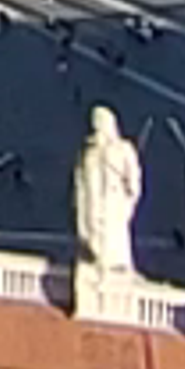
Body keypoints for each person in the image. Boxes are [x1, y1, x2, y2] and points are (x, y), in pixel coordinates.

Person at [72, 106, 144, 284]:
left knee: (114, 236)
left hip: (113, 200)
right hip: (93, 200)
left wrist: (129, 195)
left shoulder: (123, 148)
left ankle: (115, 269)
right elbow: (80, 179)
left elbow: (133, 176)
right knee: (95, 233)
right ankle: (98, 266)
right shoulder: (89, 151)